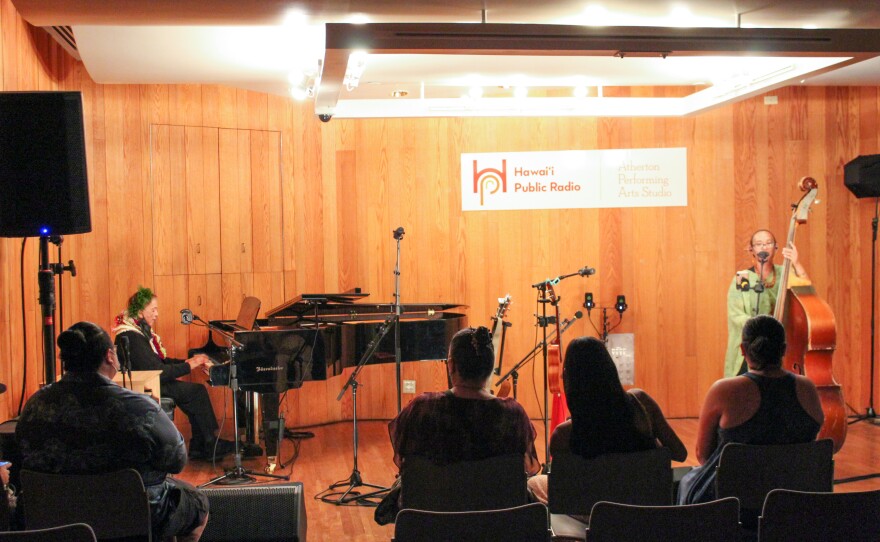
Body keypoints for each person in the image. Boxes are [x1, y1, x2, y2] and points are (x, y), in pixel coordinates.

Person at [15, 322, 209, 541]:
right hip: (128, 515)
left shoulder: (35, 405)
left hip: (52, 515)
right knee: (196, 502)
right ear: (109, 356)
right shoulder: (140, 407)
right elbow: (176, 460)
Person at [375, 326, 540, 525]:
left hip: (430, 527)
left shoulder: (422, 409)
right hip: (497, 527)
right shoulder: (514, 416)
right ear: (490, 366)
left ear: (451, 366)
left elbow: (405, 464)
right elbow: (524, 471)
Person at [679, 315, 823, 504]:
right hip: (794, 504)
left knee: (687, 481)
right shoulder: (808, 389)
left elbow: (703, 455)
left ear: (742, 349)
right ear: (784, 349)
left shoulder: (724, 391)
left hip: (732, 505)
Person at [527, 336, 687, 504]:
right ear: (610, 369)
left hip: (590, 516)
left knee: (533, 483)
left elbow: (566, 488)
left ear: (569, 379)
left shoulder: (563, 435)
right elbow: (680, 454)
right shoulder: (642, 405)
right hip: (644, 506)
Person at [113, 286, 236, 461]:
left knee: (193, 393)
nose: (156, 314)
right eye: (153, 310)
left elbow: (157, 362)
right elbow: (157, 371)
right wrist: (188, 366)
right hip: (145, 386)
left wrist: (185, 362)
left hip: (150, 381)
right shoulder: (132, 336)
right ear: (140, 312)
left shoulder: (136, 332)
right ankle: (209, 443)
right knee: (196, 392)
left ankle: (200, 445)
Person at [724, 229, 809, 378]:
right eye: (758, 244)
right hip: (752, 346)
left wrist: (796, 263)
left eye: (768, 243)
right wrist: (761, 327)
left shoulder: (785, 273)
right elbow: (736, 314)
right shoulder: (743, 277)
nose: (763, 247)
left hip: (779, 345)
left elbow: (807, 291)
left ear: (776, 248)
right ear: (751, 249)